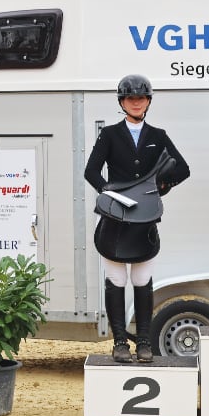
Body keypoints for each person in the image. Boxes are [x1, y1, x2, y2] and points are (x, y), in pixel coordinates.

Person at [85, 75, 191, 362]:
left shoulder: (158, 135)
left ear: (148, 102)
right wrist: (109, 192)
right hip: (115, 217)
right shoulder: (109, 134)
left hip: (144, 218)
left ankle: (144, 341)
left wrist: (161, 187)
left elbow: (182, 169)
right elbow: (91, 171)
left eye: (140, 98)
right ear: (122, 102)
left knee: (142, 279)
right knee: (116, 279)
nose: (136, 102)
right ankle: (120, 342)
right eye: (130, 98)